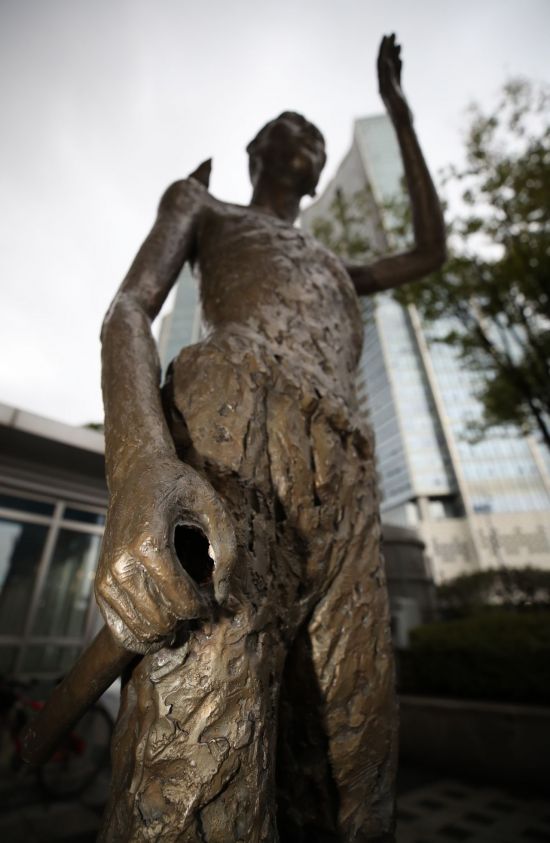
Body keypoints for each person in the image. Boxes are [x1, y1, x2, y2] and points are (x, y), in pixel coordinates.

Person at [95, 34, 445, 843]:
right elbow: (128, 310)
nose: (308, 138)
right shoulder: (206, 208)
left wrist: (400, 115)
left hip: (343, 466)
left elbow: (431, 251)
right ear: (258, 150)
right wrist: (142, 459)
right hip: (235, 422)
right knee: (203, 738)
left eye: (316, 137)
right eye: (292, 127)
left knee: (353, 753)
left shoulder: (335, 264)